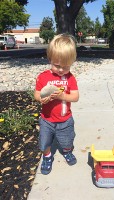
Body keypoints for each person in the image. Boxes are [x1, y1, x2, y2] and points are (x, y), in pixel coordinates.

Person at [34, 34, 80, 175]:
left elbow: (75, 96)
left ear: (72, 63)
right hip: (47, 119)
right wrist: (41, 99)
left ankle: (67, 152)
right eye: (57, 65)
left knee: (67, 140)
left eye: (65, 66)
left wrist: (62, 96)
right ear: (50, 59)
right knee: (44, 142)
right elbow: (36, 93)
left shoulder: (70, 78)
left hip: (65, 119)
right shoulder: (43, 77)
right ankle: (47, 156)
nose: (61, 70)